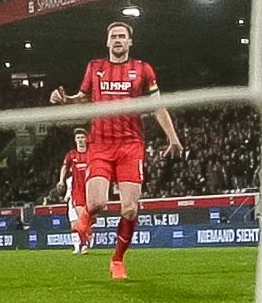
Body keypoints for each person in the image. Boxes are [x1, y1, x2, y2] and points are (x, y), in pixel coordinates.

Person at [49, 21, 182, 280]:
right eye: (114, 36)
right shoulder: (95, 68)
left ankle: (118, 259)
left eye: (123, 36)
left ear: (130, 42)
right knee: (97, 203)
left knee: (130, 209)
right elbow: (84, 98)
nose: (118, 40)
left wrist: (173, 138)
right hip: (99, 143)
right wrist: (65, 100)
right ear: (107, 42)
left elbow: (157, 106)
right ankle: (86, 215)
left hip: (131, 145)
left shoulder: (142, 69)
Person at [57, 128, 92, 255]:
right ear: (75, 140)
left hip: (91, 189)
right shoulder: (71, 154)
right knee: (81, 217)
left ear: (86, 139)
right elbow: (64, 167)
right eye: (78, 138)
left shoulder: (91, 153)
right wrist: (61, 180)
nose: (80, 140)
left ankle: (88, 235)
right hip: (77, 190)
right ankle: (83, 245)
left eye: (82, 137)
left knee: (90, 219)